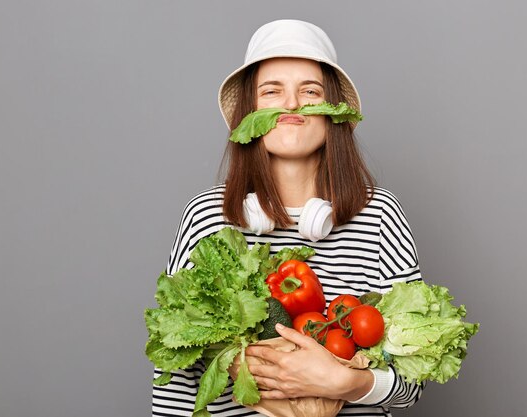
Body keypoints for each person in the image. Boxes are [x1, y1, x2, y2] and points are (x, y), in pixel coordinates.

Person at [153, 19, 424, 416]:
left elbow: (412, 382)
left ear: (333, 112)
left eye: (310, 91)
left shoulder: (380, 215)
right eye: (272, 91)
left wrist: (350, 382)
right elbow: (174, 373)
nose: (292, 105)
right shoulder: (206, 216)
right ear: (249, 115)